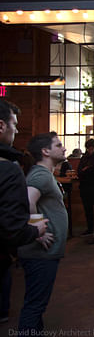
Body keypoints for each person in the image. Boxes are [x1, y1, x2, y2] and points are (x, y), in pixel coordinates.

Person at [17, 132, 68, 337]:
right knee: (34, 306)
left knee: (36, 305)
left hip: (43, 254)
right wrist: (37, 230)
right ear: (45, 151)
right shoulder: (40, 174)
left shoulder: (45, 174)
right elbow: (27, 200)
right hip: (40, 253)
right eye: (59, 145)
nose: (64, 148)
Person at [0, 100, 48, 321]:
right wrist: (35, 230)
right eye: (14, 124)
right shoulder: (8, 169)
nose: (17, 130)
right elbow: (11, 229)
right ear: (1, 126)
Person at [77, 139, 94, 237]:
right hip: (86, 186)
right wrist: (86, 169)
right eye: (89, 148)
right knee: (88, 209)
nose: (91, 149)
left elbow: (92, 171)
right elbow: (79, 171)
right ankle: (90, 228)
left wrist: (86, 170)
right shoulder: (85, 157)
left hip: (93, 186)